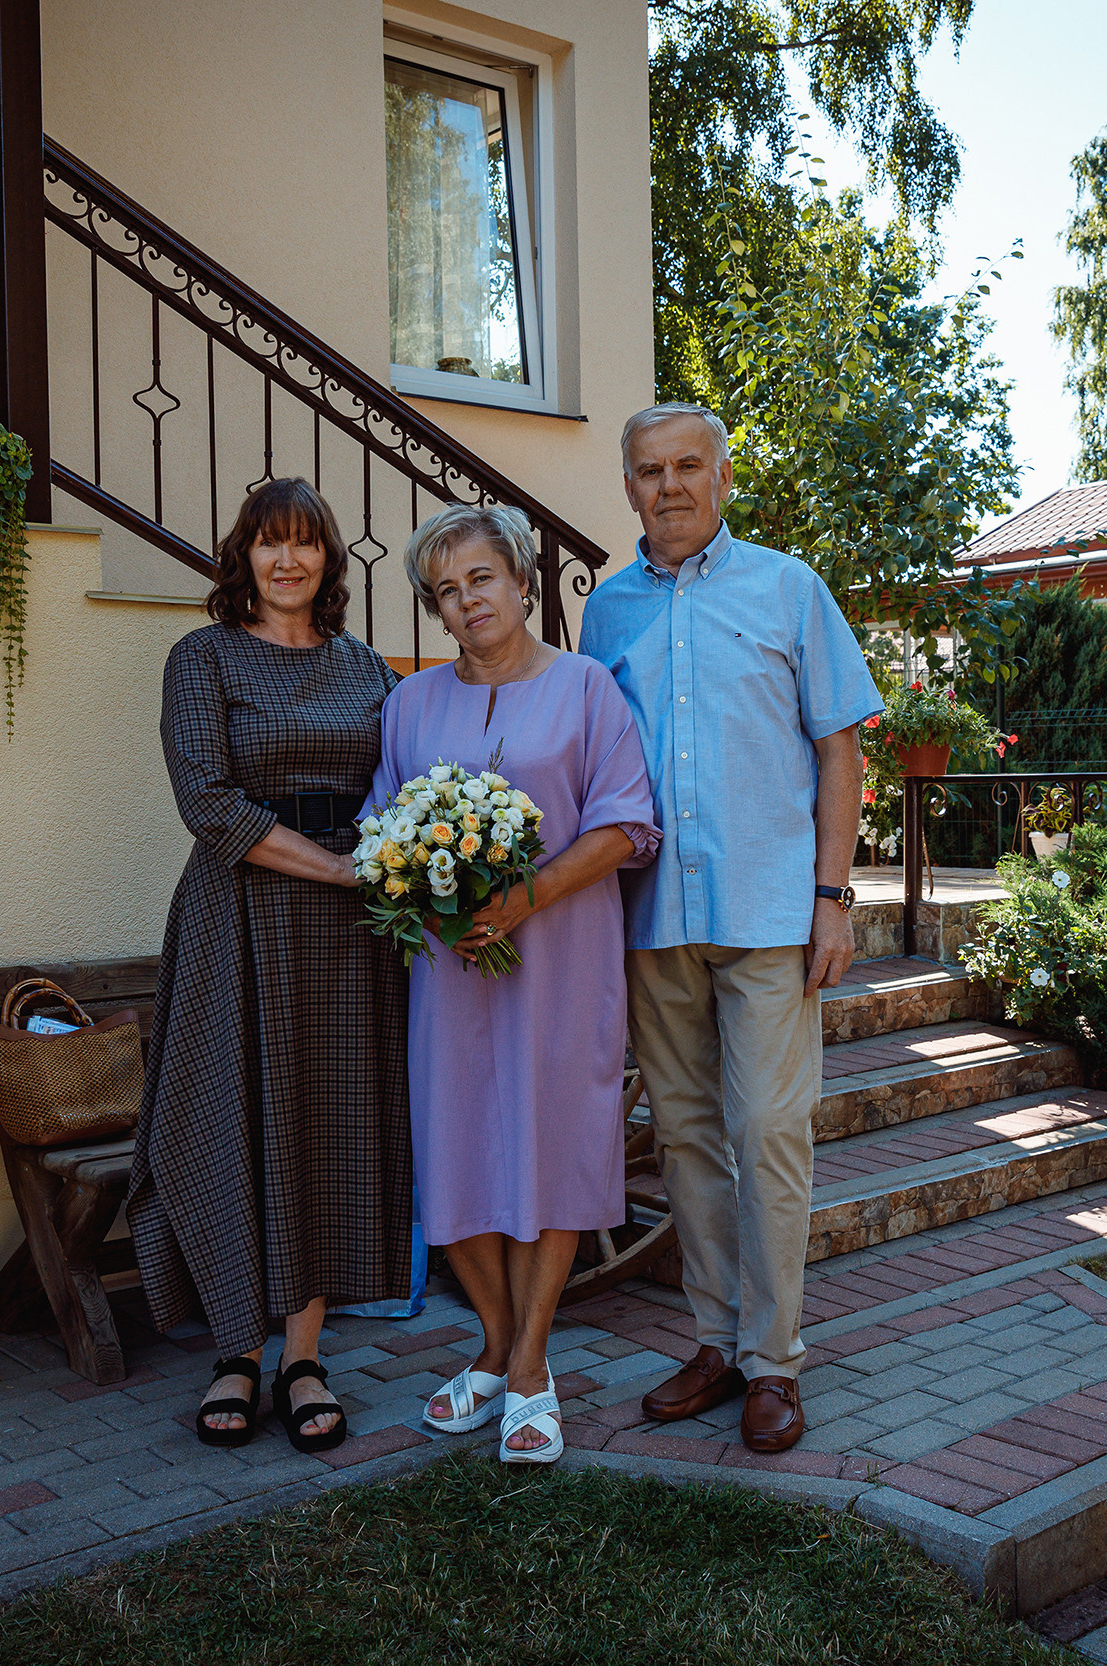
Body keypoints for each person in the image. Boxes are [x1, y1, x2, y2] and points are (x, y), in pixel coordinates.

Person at [576, 402, 879, 1455]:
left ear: (724, 475)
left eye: (689, 466)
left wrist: (833, 896)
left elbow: (840, 748)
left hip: (767, 914)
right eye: (649, 469)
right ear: (627, 486)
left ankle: (776, 1361)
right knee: (689, 1138)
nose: (670, 486)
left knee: (769, 1133)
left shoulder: (790, 589)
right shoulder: (604, 613)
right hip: (652, 918)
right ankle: (713, 1342)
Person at [368, 504, 658, 1465]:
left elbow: (623, 825)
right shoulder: (409, 706)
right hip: (449, 970)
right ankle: (492, 1344)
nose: (465, 602)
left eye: (480, 579)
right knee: (453, 1150)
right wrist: (424, 891)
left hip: (562, 959)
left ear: (522, 582)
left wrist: (524, 898)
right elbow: (384, 830)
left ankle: (529, 1368)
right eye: (446, 592)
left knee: (555, 1147)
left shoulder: (586, 689)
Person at [129, 476, 411, 1455]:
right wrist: (338, 865)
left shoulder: (364, 662)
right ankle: (234, 1353)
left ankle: (303, 1356)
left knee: (325, 1128)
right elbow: (208, 801)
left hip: (347, 943)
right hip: (237, 920)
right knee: (228, 1119)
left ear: (330, 560)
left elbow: (395, 782)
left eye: (306, 544)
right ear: (241, 556)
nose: (287, 560)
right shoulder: (200, 658)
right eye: (268, 543)